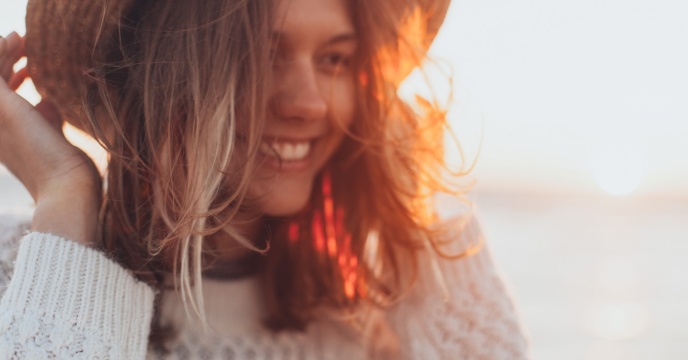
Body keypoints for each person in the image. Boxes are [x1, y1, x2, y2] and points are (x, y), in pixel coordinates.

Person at [0, 0, 528, 358]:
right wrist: (67, 193)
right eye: (264, 57)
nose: (309, 102)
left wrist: (415, 224)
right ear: (162, 75)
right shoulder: (15, 278)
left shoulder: (382, 312)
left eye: (335, 59)